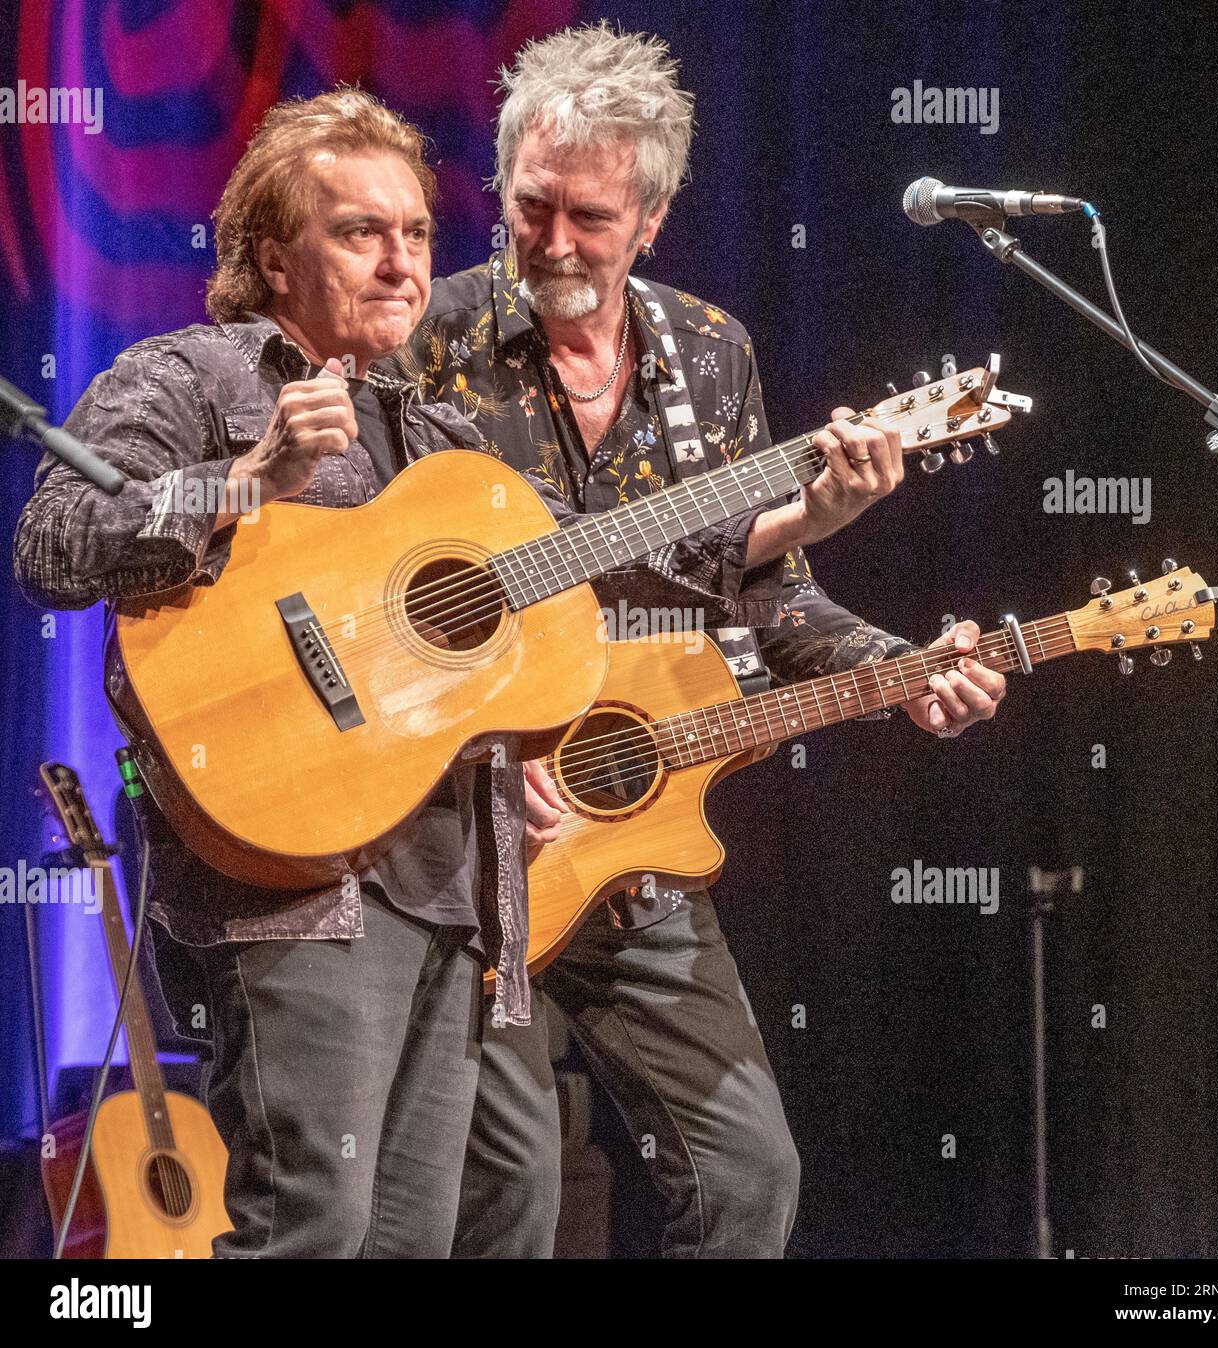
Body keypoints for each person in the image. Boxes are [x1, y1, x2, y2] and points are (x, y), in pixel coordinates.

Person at [13, 86, 772, 1258]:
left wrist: (803, 503)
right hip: (292, 877)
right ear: (273, 254)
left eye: (415, 233)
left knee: (416, 1242)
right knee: (313, 1227)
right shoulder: (199, 379)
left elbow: (539, 614)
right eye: (359, 232)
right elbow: (52, 542)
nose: (399, 261)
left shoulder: (444, 446)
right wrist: (241, 484)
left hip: (450, 893)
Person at [402, 23, 1008, 1258]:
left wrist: (902, 667)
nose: (556, 243)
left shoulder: (711, 355)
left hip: (634, 837)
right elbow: (377, 603)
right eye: (531, 209)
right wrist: (468, 759)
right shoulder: (426, 345)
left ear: (653, 218)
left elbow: (766, 594)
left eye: (590, 217)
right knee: (503, 1196)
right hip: (461, 845)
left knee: (748, 1179)